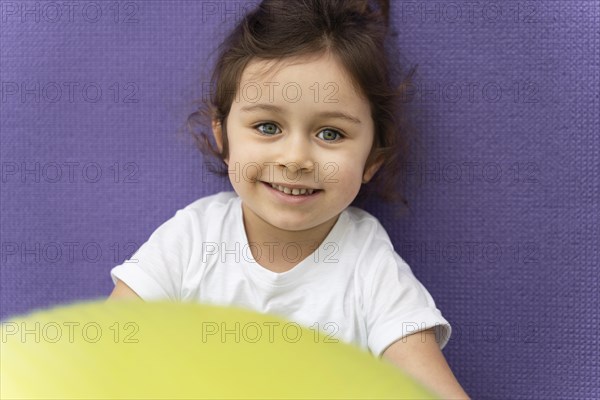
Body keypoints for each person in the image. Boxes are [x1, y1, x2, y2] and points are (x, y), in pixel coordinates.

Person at [108, 0, 469, 398]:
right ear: (223, 136)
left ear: (372, 159)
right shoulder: (191, 239)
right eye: (267, 126)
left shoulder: (368, 267)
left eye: (330, 134)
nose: (295, 159)